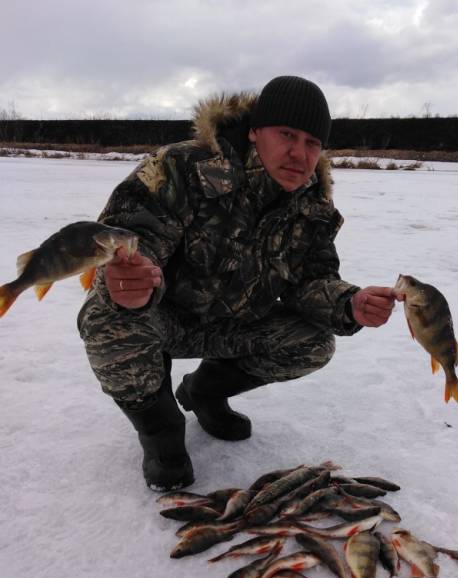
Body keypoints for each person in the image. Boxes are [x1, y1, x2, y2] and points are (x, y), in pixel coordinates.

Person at [78, 76, 396, 491]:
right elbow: (131, 239)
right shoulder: (181, 167)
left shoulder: (312, 204)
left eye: (312, 142)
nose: (299, 153)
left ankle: (205, 393)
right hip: (160, 319)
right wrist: (131, 282)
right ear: (254, 131)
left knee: (314, 341)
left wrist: (348, 303)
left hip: (233, 326)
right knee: (107, 320)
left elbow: (311, 280)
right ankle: (160, 433)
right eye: (287, 135)